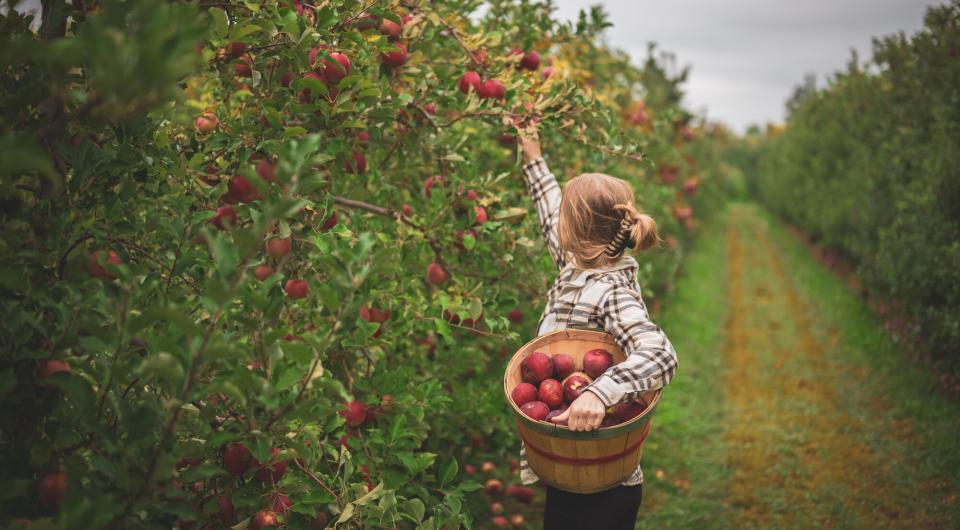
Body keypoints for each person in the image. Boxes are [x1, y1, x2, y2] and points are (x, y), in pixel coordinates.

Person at [515, 122, 679, 530]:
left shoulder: (610, 290)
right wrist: (532, 154)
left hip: (603, 483)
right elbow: (549, 207)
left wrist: (598, 394)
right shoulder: (579, 263)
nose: (556, 225)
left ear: (573, 231)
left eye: (564, 221)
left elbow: (660, 354)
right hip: (570, 465)